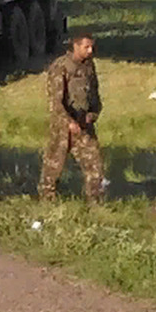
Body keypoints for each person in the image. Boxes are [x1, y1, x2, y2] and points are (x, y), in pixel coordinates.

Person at [39, 33, 105, 204]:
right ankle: (47, 200)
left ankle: (95, 201)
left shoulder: (89, 67)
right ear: (75, 46)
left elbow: (95, 96)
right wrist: (68, 122)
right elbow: (55, 101)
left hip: (84, 124)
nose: (90, 51)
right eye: (86, 47)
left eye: (92, 47)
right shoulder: (61, 67)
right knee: (53, 165)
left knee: (94, 163)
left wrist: (93, 115)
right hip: (62, 126)